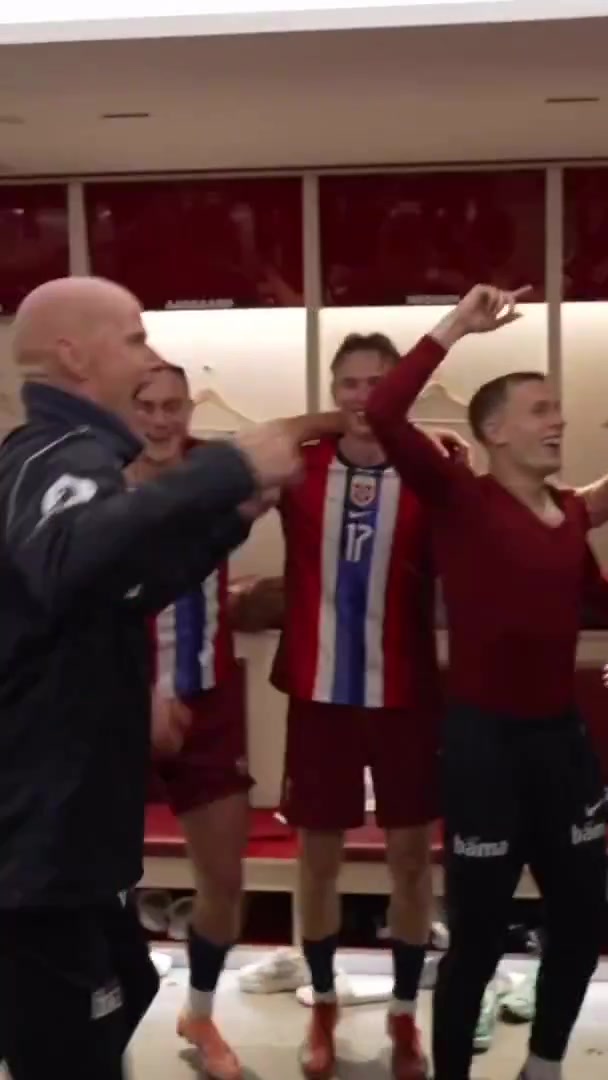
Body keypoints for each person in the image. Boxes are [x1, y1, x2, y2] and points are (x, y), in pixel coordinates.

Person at [0, 276, 299, 1080]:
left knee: (127, 985)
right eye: (134, 338)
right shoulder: (54, 455)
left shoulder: (85, 457)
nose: (148, 357)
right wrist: (227, 467)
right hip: (41, 842)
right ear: (74, 356)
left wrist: (223, 524)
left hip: (77, 833)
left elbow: (119, 588)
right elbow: (70, 559)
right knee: (70, 1049)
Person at [366, 284, 608, 1080]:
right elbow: (385, 412)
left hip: (562, 747)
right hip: (484, 751)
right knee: (476, 939)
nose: (558, 420)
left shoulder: (568, 516)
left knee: (583, 922)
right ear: (494, 432)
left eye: (558, 409)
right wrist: (457, 326)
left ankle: (544, 1066)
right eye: (541, 410)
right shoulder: (460, 498)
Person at [128, 357, 345, 1080]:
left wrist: (384, 426)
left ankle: (198, 1009)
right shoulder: (98, 479)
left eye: (173, 405)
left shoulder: (215, 469)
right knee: (89, 879)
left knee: (224, 877)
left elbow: (291, 432)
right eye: (146, 405)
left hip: (209, 701)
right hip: (113, 703)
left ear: (190, 410)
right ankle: (92, 1009)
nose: (161, 419)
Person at [272, 331, 467, 1080]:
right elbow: (233, 458)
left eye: (378, 382)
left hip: (406, 695)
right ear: (332, 390)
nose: (363, 397)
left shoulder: (432, 468)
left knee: (411, 862)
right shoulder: (300, 465)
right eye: (349, 383)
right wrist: (321, 421)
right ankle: (322, 1003)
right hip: (319, 694)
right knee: (317, 859)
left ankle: (404, 1014)